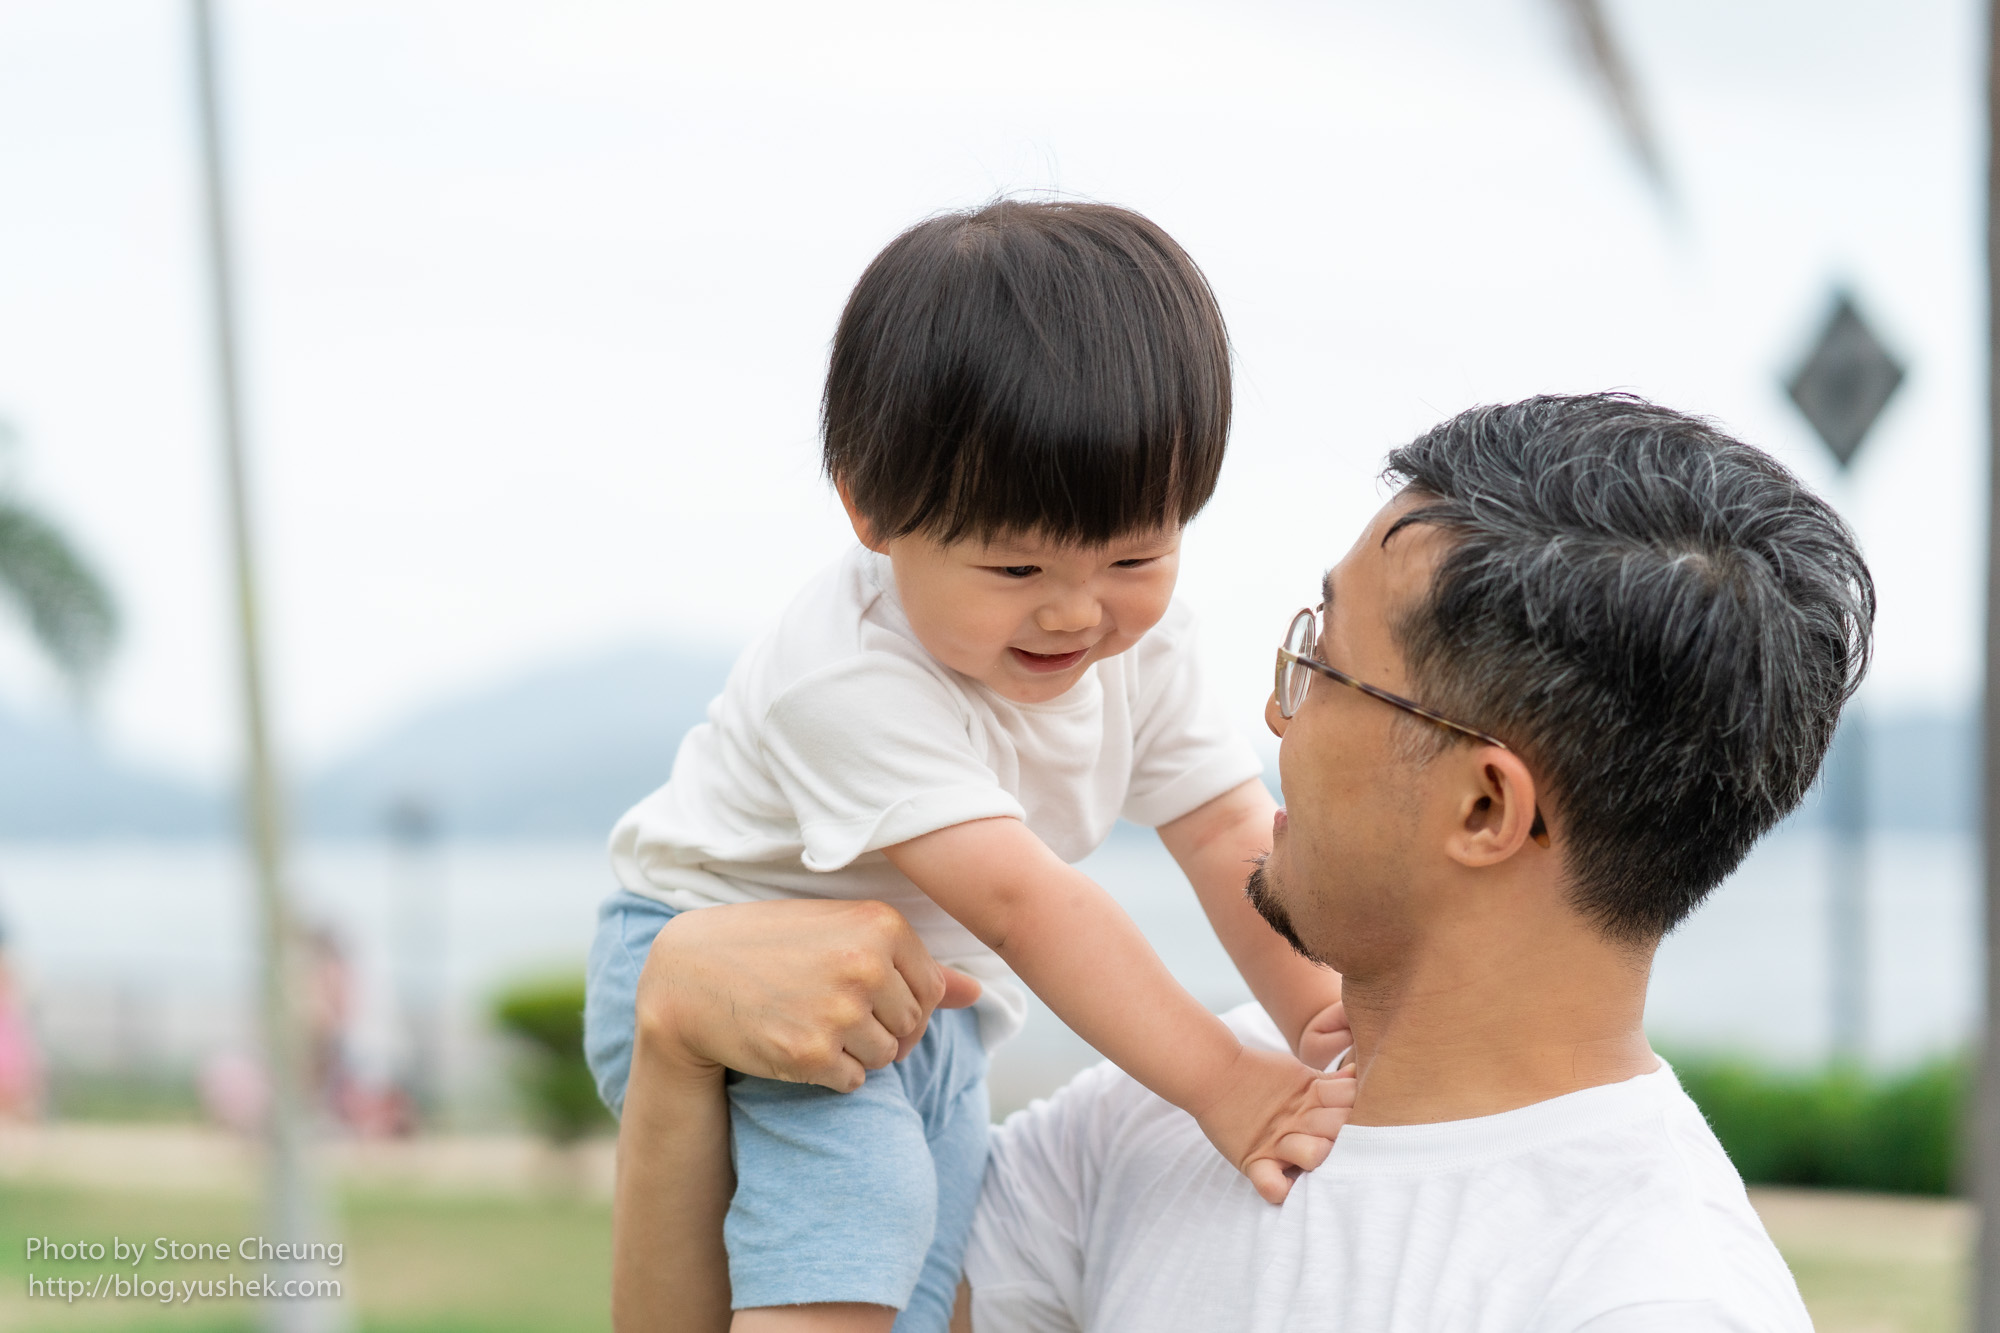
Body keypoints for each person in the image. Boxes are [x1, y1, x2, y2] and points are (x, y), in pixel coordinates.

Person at [613, 394, 1870, 1332]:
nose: (1274, 714)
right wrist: (675, 1041)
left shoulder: (1650, 1298)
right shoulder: (1149, 1121)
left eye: (1323, 663)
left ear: (1485, 805)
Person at [585, 199, 1348, 1333]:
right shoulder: (843, 672)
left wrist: (1324, 1022)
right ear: (870, 509)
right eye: (1015, 568)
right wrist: (1226, 1082)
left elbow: (1228, 834)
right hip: (728, 957)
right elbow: (1023, 904)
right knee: (862, 1214)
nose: (1076, 612)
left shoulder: (1146, 648)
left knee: (940, 1276)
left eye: (1135, 555)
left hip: (930, 1002)